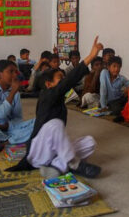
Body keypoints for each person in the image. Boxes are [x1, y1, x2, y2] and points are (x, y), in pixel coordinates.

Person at [6, 36, 104, 179]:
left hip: (53, 152)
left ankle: (57, 166)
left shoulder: (57, 98)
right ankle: (72, 162)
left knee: (90, 142)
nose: (63, 81)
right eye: (60, 78)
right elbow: (69, 82)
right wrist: (90, 57)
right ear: (48, 84)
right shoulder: (47, 95)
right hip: (38, 151)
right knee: (55, 124)